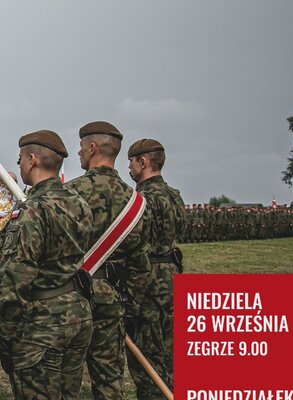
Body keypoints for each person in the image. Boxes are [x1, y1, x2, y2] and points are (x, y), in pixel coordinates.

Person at [0, 130, 94, 398]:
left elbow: (16, 277)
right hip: (77, 315)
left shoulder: (33, 210)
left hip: (42, 325)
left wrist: (4, 331)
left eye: (20, 160)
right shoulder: (79, 202)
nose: (21, 165)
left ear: (32, 159)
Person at [64, 121, 151, 400]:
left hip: (71, 298)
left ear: (92, 148)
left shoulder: (69, 193)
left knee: (67, 379)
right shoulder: (136, 201)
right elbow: (140, 265)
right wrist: (129, 306)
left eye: (80, 147)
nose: (78, 153)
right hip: (112, 299)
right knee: (109, 380)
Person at [127, 138, 187, 397]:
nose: (129, 167)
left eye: (131, 161)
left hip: (148, 282)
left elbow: (134, 244)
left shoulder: (143, 199)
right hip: (172, 277)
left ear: (143, 161)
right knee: (170, 350)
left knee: (148, 359)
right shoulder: (175, 195)